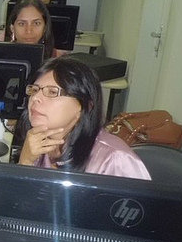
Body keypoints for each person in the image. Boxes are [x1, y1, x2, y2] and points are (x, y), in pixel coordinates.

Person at [16, 57, 150, 180]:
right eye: (34, 90)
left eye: (52, 92)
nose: (35, 98)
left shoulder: (115, 159)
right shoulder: (36, 143)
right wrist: (25, 162)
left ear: (84, 105)